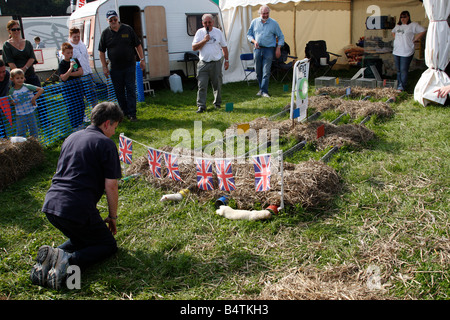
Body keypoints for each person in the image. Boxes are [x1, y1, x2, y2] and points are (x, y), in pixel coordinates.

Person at [32, 102, 124, 290]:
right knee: (107, 245)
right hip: (77, 208)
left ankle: (50, 259)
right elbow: (111, 185)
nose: (114, 132)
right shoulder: (106, 144)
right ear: (107, 123)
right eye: (115, 127)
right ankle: (67, 262)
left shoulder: (72, 137)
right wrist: (112, 216)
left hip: (51, 205)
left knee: (84, 240)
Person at [98, 10, 145, 122]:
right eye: (111, 20)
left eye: (115, 19)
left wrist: (142, 59)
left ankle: (132, 114)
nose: (113, 21)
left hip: (129, 66)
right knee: (119, 92)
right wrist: (104, 67)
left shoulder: (127, 29)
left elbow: (138, 45)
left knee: (131, 90)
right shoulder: (105, 33)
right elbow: (101, 51)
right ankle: (123, 113)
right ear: (107, 21)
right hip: (115, 68)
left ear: (118, 18)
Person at [192, 14, 229, 113]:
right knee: (202, 86)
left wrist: (227, 60)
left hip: (216, 63)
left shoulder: (218, 32)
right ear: (202, 23)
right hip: (203, 63)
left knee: (217, 85)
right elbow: (194, 47)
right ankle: (201, 106)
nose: (207, 24)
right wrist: (204, 40)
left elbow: (224, 47)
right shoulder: (199, 32)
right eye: (205, 23)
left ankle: (217, 104)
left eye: (209, 22)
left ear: (213, 22)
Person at [247, 5, 284, 98]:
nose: (265, 15)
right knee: (258, 71)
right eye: (264, 13)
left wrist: (278, 47)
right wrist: (254, 41)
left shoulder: (274, 23)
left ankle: (264, 91)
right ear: (260, 13)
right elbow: (249, 35)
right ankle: (261, 89)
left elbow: (280, 36)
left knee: (266, 71)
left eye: (267, 13)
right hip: (257, 49)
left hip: (269, 49)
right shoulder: (254, 22)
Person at [391, 11, 426, 92]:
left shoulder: (413, 25)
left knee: (403, 69)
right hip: (396, 51)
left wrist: (416, 39)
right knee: (398, 69)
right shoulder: (398, 26)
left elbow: (423, 30)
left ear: (408, 17)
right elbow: (392, 31)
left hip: (406, 51)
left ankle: (401, 87)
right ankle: (398, 84)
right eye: (401, 17)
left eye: (405, 17)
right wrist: (396, 38)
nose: (403, 19)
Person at [2, 20, 41, 87]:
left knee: (38, 95)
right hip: (16, 79)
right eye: (14, 29)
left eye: (18, 29)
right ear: (9, 31)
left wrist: (24, 69)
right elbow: (10, 61)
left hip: (31, 74)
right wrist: (19, 74)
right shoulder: (7, 45)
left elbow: (32, 58)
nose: (16, 31)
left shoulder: (27, 43)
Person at [8, 68, 44, 138]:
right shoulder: (11, 91)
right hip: (20, 114)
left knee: (34, 129)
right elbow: (10, 101)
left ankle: (34, 143)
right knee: (21, 131)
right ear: (12, 79)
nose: (20, 80)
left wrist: (34, 98)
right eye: (17, 78)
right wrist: (13, 102)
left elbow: (41, 90)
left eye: (22, 78)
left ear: (24, 78)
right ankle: (21, 144)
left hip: (30, 112)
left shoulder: (27, 86)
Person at [69, 27, 97, 113]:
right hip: (78, 76)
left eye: (78, 36)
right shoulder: (69, 47)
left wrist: (90, 71)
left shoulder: (82, 45)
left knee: (92, 94)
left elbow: (86, 59)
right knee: (80, 97)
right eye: (74, 37)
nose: (77, 38)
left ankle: (96, 112)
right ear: (70, 36)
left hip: (88, 73)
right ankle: (83, 114)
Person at [59, 42, 85, 131]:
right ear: (63, 53)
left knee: (81, 105)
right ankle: (74, 126)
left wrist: (70, 74)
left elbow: (81, 72)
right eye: (68, 53)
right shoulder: (62, 64)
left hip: (77, 87)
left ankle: (80, 124)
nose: (70, 54)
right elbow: (63, 78)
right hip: (68, 90)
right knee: (71, 107)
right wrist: (70, 69)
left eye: (71, 52)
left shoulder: (75, 60)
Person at [0, 59, 11, 138]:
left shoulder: (7, 75)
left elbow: (5, 91)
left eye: (3, 71)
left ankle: (4, 139)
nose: (1, 75)